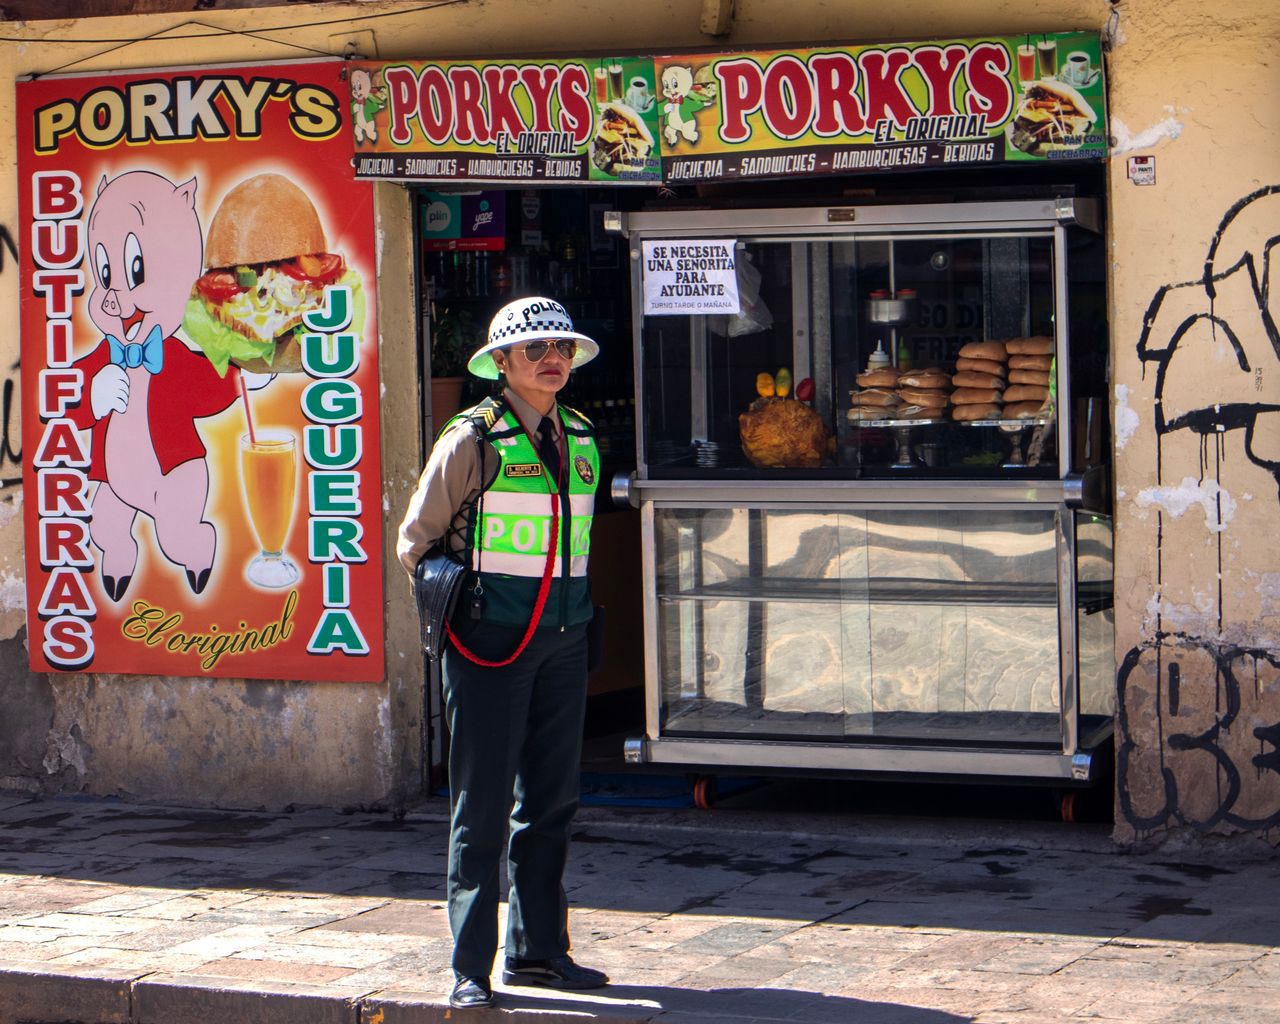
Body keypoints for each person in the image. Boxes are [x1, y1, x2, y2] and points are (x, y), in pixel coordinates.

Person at [398, 296, 609, 1009]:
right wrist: (461, 616)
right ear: (502, 363)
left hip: (564, 640)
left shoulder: (581, 435)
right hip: (489, 645)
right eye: (535, 349)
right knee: (480, 806)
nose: (553, 359)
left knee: (552, 802)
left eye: (563, 348)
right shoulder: (472, 438)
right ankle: (469, 968)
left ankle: (539, 953)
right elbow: (415, 542)